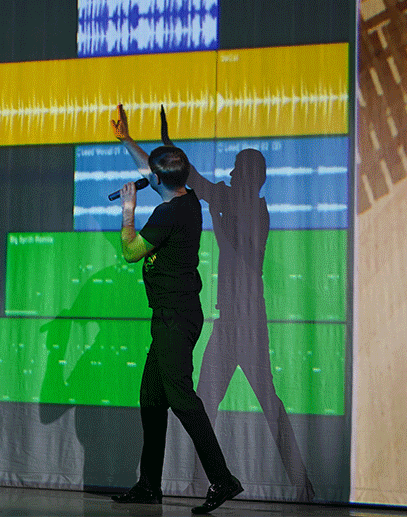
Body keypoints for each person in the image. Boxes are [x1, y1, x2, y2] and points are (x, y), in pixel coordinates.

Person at [160, 112, 315, 502]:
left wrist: (215, 216)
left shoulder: (253, 211)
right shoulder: (235, 202)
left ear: (250, 177)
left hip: (245, 323)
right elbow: (198, 182)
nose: (228, 174)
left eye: (235, 170)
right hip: (232, 321)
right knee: (208, 403)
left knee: (259, 404)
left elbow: (239, 249)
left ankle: (301, 484)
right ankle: (204, 482)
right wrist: (171, 148)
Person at [110, 104, 243, 514]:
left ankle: (222, 479)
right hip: (172, 315)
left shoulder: (167, 214)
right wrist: (127, 140)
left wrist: (128, 210)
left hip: (175, 319)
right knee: (152, 398)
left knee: (182, 398)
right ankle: (149, 485)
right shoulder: (187, 199)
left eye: (152, 175)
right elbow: (153, 169)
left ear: (157, 182)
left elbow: (131, 252)